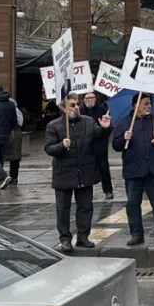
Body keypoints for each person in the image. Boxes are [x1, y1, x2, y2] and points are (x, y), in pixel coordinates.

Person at [44, 93, 112, 252]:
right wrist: (61, 145)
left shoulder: (88, 122)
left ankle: (83, 237)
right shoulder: (53, 126)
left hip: (85, 172)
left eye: (77, 104)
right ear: (63, 108)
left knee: (85, 207)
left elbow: (99, 135)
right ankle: (65, 239)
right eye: (72, 105)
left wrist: (105, 129)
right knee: (63, 209)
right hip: (64, 174)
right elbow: (49, 149)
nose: (76, 108)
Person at [113, 93, 154, 246]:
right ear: (136, 105)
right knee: (133, 204)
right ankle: (136, 234)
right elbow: (116, 145)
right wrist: (123, 139)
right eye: (145, 103)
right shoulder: (125, 123)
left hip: (153, 170)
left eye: (149, 103)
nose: (148, 106)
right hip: (133, 170)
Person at [79, 92, 113, 200]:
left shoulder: (102, 110)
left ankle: (108, 190)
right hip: (85, 145)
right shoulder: (80, 111)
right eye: (87, 98)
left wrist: (105, 128)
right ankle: (87, 191)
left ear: (95, 99)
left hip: (100, 144)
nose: (89, 100)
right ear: (83, 100)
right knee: (86, 169)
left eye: (91, 97)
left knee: (103, 168)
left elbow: (108, 130)